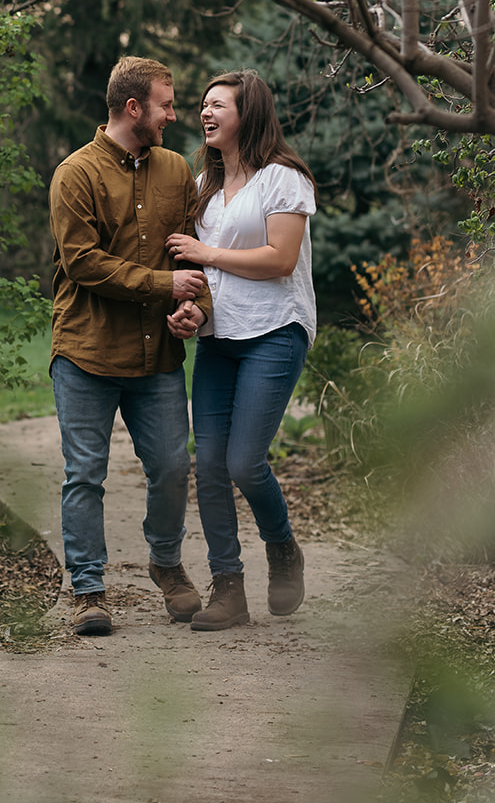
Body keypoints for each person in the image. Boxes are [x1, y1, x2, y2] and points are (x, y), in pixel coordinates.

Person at [49, 55, 213, 637]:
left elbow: (193, 252)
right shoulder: (76, 173)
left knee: (171, 467)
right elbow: (84, 263)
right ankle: (87, 591)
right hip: (87, 353)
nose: (175, 114)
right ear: (134, 107)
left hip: (156, 356)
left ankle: (166, 564)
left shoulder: (176, 172)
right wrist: (163, 284)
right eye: (167, 104)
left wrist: (195, 306)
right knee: (85, 474)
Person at [165, 70, 316, 632]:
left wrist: (204, 251)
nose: (205, 114)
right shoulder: (206, 181)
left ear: (247, 113)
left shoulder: (284, 179)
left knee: (244, 461)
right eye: (202, 105)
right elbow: (210, 274)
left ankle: (282, 548)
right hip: (218, 337)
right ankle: (228, 588)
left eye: (217, 106)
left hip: (275, 331)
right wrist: (194, 310)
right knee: (208, 465)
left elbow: (279, 260)